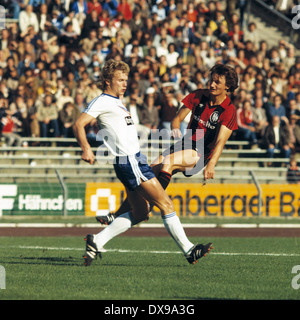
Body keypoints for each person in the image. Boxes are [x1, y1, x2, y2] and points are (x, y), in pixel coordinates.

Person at [73, 59, 212, 266]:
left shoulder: (116, 101)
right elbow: (78, 124)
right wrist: (86, 148)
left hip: (130, 162)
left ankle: (97, 240)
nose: (124, 83)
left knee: (140, 213)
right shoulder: (102, 101)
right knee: (166, 204)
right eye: (120, 79)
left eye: (126, 79)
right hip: (130, 162)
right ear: (107, 81)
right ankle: (189, 250)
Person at [97, 64, 239, 225]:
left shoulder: (229, 110)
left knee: (168, 162)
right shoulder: (199, 95)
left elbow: (221, 141)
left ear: (228, 87)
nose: (212, 85)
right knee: (146, 176)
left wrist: (212, 164)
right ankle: (117, 215)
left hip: (200, 154)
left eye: (217, 83)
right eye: (211, 80)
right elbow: (177, 119)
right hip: (184, 145)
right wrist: (176, 128)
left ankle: (150, 206)